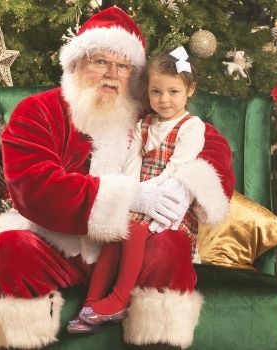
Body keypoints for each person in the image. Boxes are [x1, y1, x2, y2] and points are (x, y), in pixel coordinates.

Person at [0, 7, 234, 350]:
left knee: (172, 247)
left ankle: (158, 341)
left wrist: (184, 185)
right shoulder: (39, 111)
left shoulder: (149, 110)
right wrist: (127, 197)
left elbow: (210, 143)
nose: (112, 75)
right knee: (6, 249)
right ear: (76, 63)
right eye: (100, 62)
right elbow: (33, 186)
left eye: (123, 66)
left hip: (133, 247)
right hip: (60, 245)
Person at [67, 46, 228, 335]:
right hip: (143, 201)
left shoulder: (191, 127)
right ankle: (91, 303)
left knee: (133, 232)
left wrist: (149, 201)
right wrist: (132, 196)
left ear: (190, 89)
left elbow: (177, 170)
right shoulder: (144, 124)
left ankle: (117, 300)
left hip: (169, 208)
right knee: (115, 232)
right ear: (148, 91)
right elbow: (132, 162)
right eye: (156, 92)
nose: (164, 100)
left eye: (173, 92)